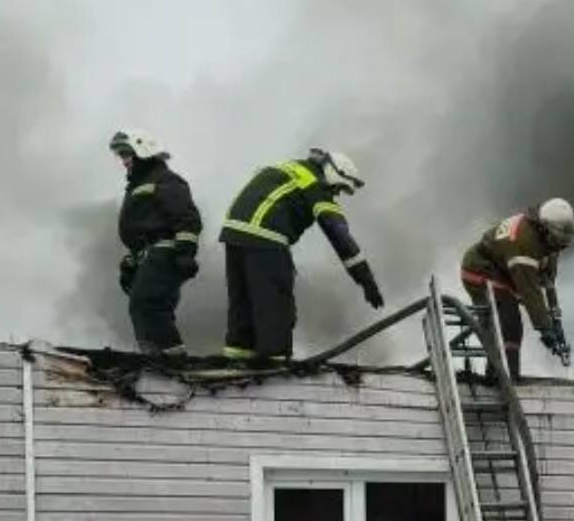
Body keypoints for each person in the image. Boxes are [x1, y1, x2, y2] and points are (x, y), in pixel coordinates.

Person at [217, 148, 383, 362]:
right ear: (335, 173)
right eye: (339, 188)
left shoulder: (291, 167)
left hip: (234, 233)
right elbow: (339, 235)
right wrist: (366, 280)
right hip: (266, 237)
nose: (336, 194)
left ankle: (237, 357)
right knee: (275, 305)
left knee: (243, 303)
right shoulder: (315, 184)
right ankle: (275, 361)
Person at [459, 198, 574, 380]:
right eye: (557, 241)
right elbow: (530, 291)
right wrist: (544, 328)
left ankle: (504, 375)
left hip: (504, 273)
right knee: (508, 322)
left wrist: (556, 320)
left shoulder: (551, 245)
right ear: (544, 229)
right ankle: (504, 378)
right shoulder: (524, 242)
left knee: (509, 323)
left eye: (563, 244)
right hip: (481, 269)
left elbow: (548, 283)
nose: (559, 247)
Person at [110, 129, 202, 355]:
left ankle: (173, 362)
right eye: (122, 156)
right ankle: (155, 358)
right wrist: (133, 259)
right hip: (150, 255)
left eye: (127, 155)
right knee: (143, 308)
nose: (124, 161)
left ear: (143, 152)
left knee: (148, 305)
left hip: (165, 253)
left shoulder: (165, 180)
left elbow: (187, 218)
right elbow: (143, 229)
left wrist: (185, 253)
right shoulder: (140, 183)